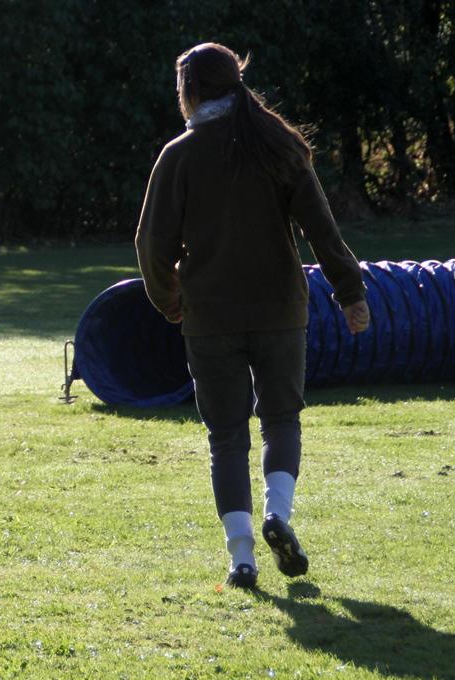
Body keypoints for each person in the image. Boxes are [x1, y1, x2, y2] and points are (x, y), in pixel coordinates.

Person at [135, 42, 370, 589]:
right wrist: (351, 292)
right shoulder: (280, 146)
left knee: (226, 437)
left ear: (189, 92)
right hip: (280, 310)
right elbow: (321, 229)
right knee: (281, 420)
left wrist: (169, 298)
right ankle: (278, 516)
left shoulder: (179, 155)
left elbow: (151, 245)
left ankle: (242, 559)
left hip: (210, 317)